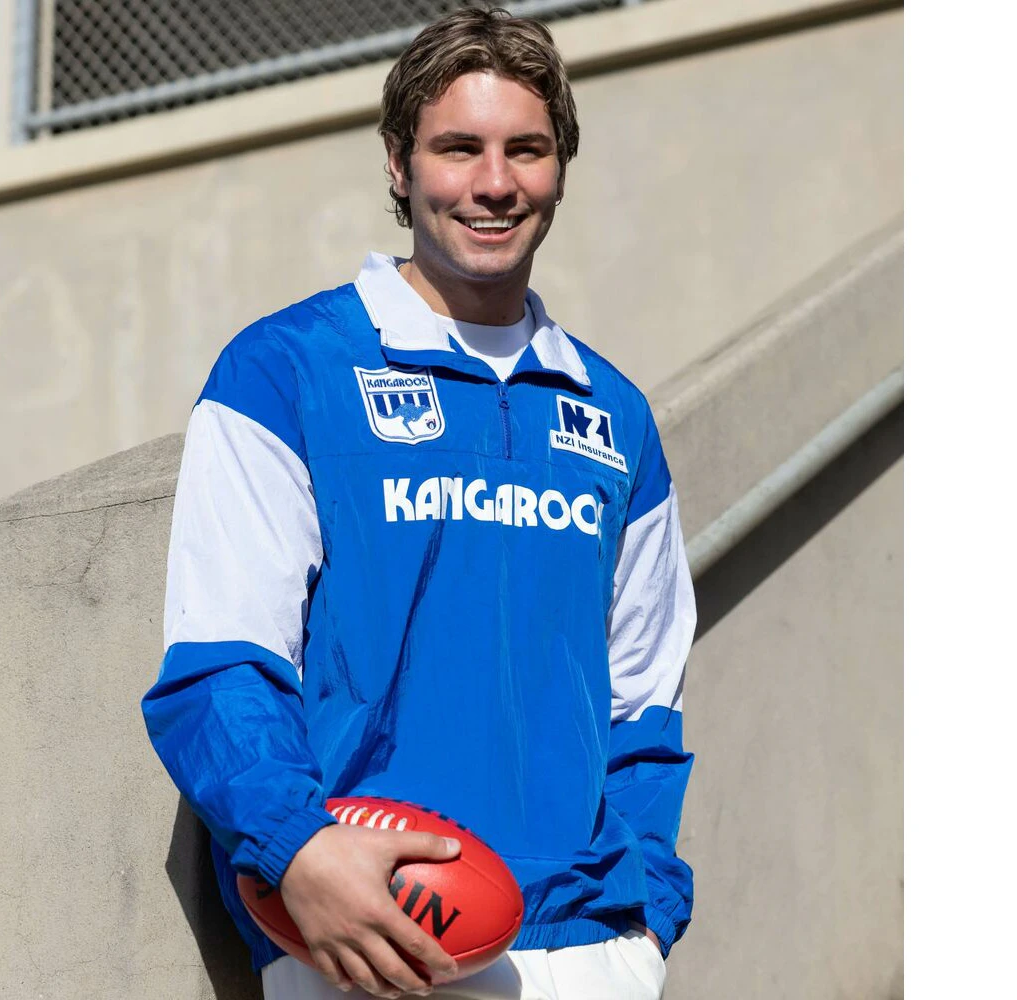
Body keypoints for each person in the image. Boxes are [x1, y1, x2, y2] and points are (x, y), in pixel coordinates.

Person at [142, 7, 696, 999]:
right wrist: (299, 852)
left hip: (585, 948)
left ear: (558, 167)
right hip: (363, 931)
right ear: (399, 166)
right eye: (457, 148)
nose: (493, 182)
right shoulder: (284, 373)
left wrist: (644, 917)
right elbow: (220, 663)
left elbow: (644, 702)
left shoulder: (614, 417)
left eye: (524, 148)